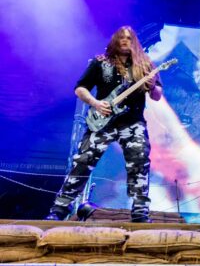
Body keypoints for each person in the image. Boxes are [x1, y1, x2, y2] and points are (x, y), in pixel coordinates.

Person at [45, 26, 163, 222]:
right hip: (102, 122)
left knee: (139, 161)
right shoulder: (100, 62)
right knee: (83, 162)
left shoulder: (145, 65)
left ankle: (140, 211)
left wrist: (152, 86)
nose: (125, 40)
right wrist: (95, 103)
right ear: (115, 40)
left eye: (129, 38)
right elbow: (80, 89)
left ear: (135, 42)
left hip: (132, 123)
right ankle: (60, 209)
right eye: (121, 37)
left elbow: (157, 96)